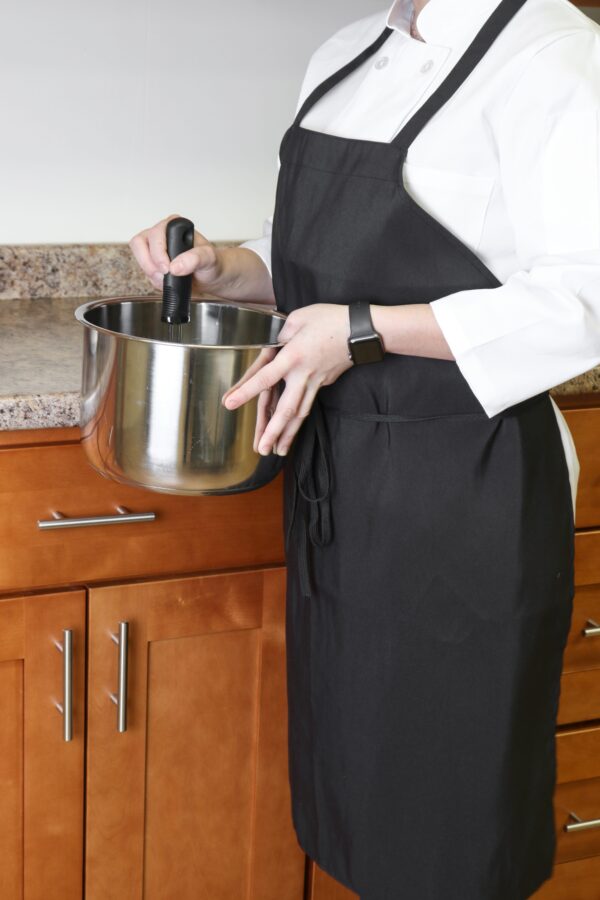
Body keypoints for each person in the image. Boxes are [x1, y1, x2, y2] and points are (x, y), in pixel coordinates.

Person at [130, 1, 600, 896]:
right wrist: (236, 267)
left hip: (467, 488)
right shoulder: (350, 53)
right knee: (358, 796)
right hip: (341, 483)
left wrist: (365, 332)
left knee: (450, 822)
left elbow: (586, 296)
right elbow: (335, 262)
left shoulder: (554, 54)